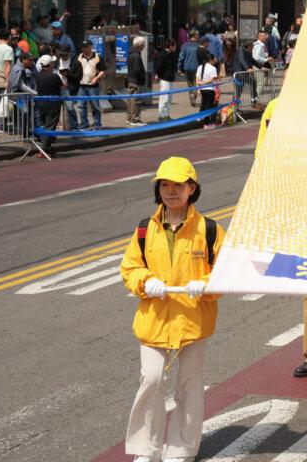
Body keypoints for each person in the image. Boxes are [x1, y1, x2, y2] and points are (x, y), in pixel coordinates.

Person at [119, 157, 225, 462]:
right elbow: (130, 267)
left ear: (192, 188)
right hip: (154, 320)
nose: (170, 191)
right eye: (164, 184)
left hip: (193, 319)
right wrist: (145, 281)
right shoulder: (144, 229)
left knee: (189, 385)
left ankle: (181, 449)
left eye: (178, 185)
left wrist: (205, 284)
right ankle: (146, 449)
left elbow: (224, 272)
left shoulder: (209, 230)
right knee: (150, 380)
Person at [34, 54, 63, 154]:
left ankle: (47, 147)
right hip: (52, 105)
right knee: (50, 126)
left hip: (40, 104)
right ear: (50, 64)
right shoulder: (54, 76)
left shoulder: (37, 75)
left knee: (43, 125)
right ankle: (44, 148)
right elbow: (62, 86)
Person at [126, 36, 148, 125]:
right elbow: (137, 70)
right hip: (136, 81)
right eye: (143, 44)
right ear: (140, 45)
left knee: (130, 100)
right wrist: (142, 78)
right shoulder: (136, 56)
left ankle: (129, 117)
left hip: (131, 79)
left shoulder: (132, 54)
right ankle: (135, 119)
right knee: (136, 100)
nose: (144, 46)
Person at [197, 52, 221, 130]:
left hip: (202, 89)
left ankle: (202, 119)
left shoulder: (200, 67)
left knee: (203, 104)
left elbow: (197, 79)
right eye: (214, 58)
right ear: (211, 59)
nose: (215, 60)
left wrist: (198, 87)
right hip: (210, 89)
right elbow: (211, 80)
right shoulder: (212, 68)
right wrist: (203, 83)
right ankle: (206, 124)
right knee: (208, 107)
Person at [178, 30, 202, 107]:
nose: (198, 36)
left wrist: (179, 67)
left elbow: (181, 57)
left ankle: (192, 94)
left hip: (187, 67)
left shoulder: (185, 45)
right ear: (194, 35)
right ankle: (193, 95)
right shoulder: (199, 45)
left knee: (190, 83)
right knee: (196, 83)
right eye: (197, 34)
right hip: (197, 67)